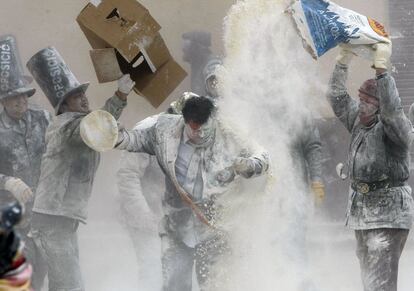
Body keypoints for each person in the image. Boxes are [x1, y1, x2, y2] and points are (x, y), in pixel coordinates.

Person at [115, 96, 269, 291]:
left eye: (205, 127)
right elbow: (133, 142)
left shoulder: (227, 131)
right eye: (195, 128)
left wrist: (250, 166)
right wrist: (116, 137)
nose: (201, 133)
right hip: (176, 226)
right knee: (174, 284)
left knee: (216, 285)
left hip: (216, 227)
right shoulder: (163, 131)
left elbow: (262, 155)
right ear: (184, 121)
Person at [25, 46, 135, 291]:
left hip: (59, 219)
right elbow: (95, 126)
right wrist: (120, 95)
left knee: (60, 283)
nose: (84, 98)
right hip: (52, 220)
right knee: (70, 285)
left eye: (82, 93)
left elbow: (99, 129)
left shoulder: (79, 125)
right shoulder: (67, 126)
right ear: (63, 106)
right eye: (76, 96)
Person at [328, 41, 414, 291]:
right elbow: (336, 97)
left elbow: (392, 112)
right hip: (362, 212)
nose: (361, 106)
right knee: (369, 283)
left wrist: (382, 70)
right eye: (361, 99)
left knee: (380, 285)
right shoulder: (357, 119)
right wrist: (342, 61)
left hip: (388, 214)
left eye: (368, 101)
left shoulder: (395, 128)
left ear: (379, 105)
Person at [0, 34, 51, 290]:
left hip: (43, 209)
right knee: (18, 277)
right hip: (8, 215)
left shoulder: (43, 118)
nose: (21, 100)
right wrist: (7, 181)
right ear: (3, 99)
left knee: (43, 269)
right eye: (14, 96)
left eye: (24, 95)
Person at [182, 30, 217, 96]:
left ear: (197, 48)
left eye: (186, 50)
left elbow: (218, 95)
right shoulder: (198, 67)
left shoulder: (212, 65)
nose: (183, 50)